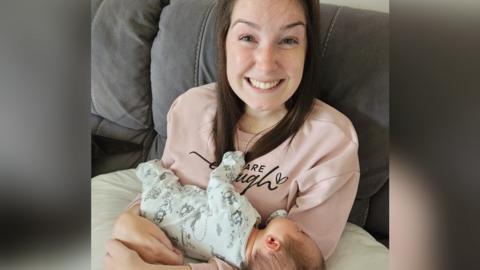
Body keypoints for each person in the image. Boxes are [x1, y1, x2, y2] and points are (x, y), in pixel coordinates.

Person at [104, 0, 360, 269]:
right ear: (224, 41)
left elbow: (287, 264)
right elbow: (166, 182)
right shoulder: (190, 108)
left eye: (288, 40)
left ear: (308, 49)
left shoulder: (331, 143)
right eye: (248, 37)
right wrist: (131, 218)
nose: (265, 64)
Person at [137, 151, 323, 269]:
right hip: (158, 227)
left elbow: (217, 185)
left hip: (160, 202)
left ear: (273, 242)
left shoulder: (239, 219)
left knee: (157, 174)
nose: (298, 225)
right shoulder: (236, 263)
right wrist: (279, 218)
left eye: (301, 231)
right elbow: (277, 224)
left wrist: (230, 164)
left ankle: (145, 170)